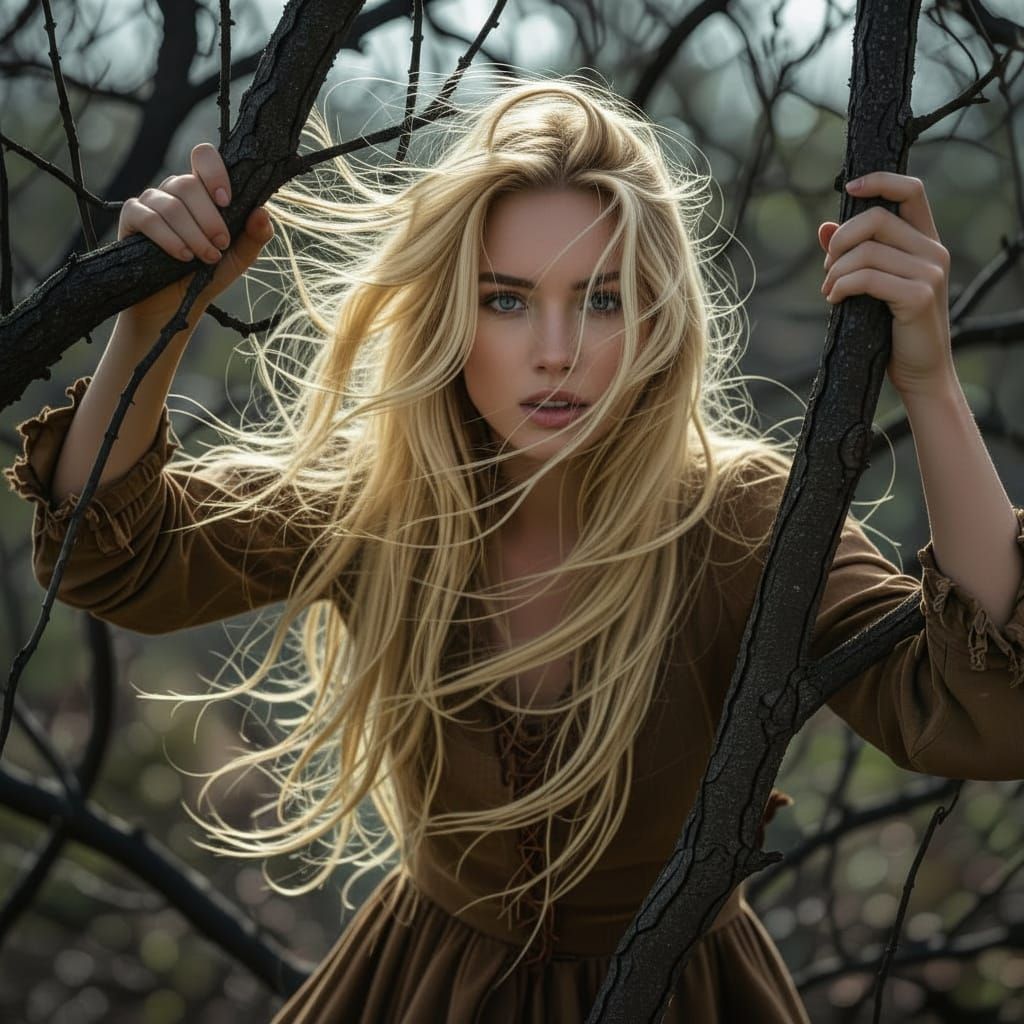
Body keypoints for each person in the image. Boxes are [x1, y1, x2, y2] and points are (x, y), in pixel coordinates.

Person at [6, 74, 1024, 1023]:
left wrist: (927, 379)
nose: (555, 350)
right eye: (505, 299)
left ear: (657, 317)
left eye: (601, 298)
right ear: (452, 314)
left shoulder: (738, 516)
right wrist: (152, 324)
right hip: (415, 989)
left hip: (687, 993)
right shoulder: (389, 504)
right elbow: (113, 556)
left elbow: (980, 714)